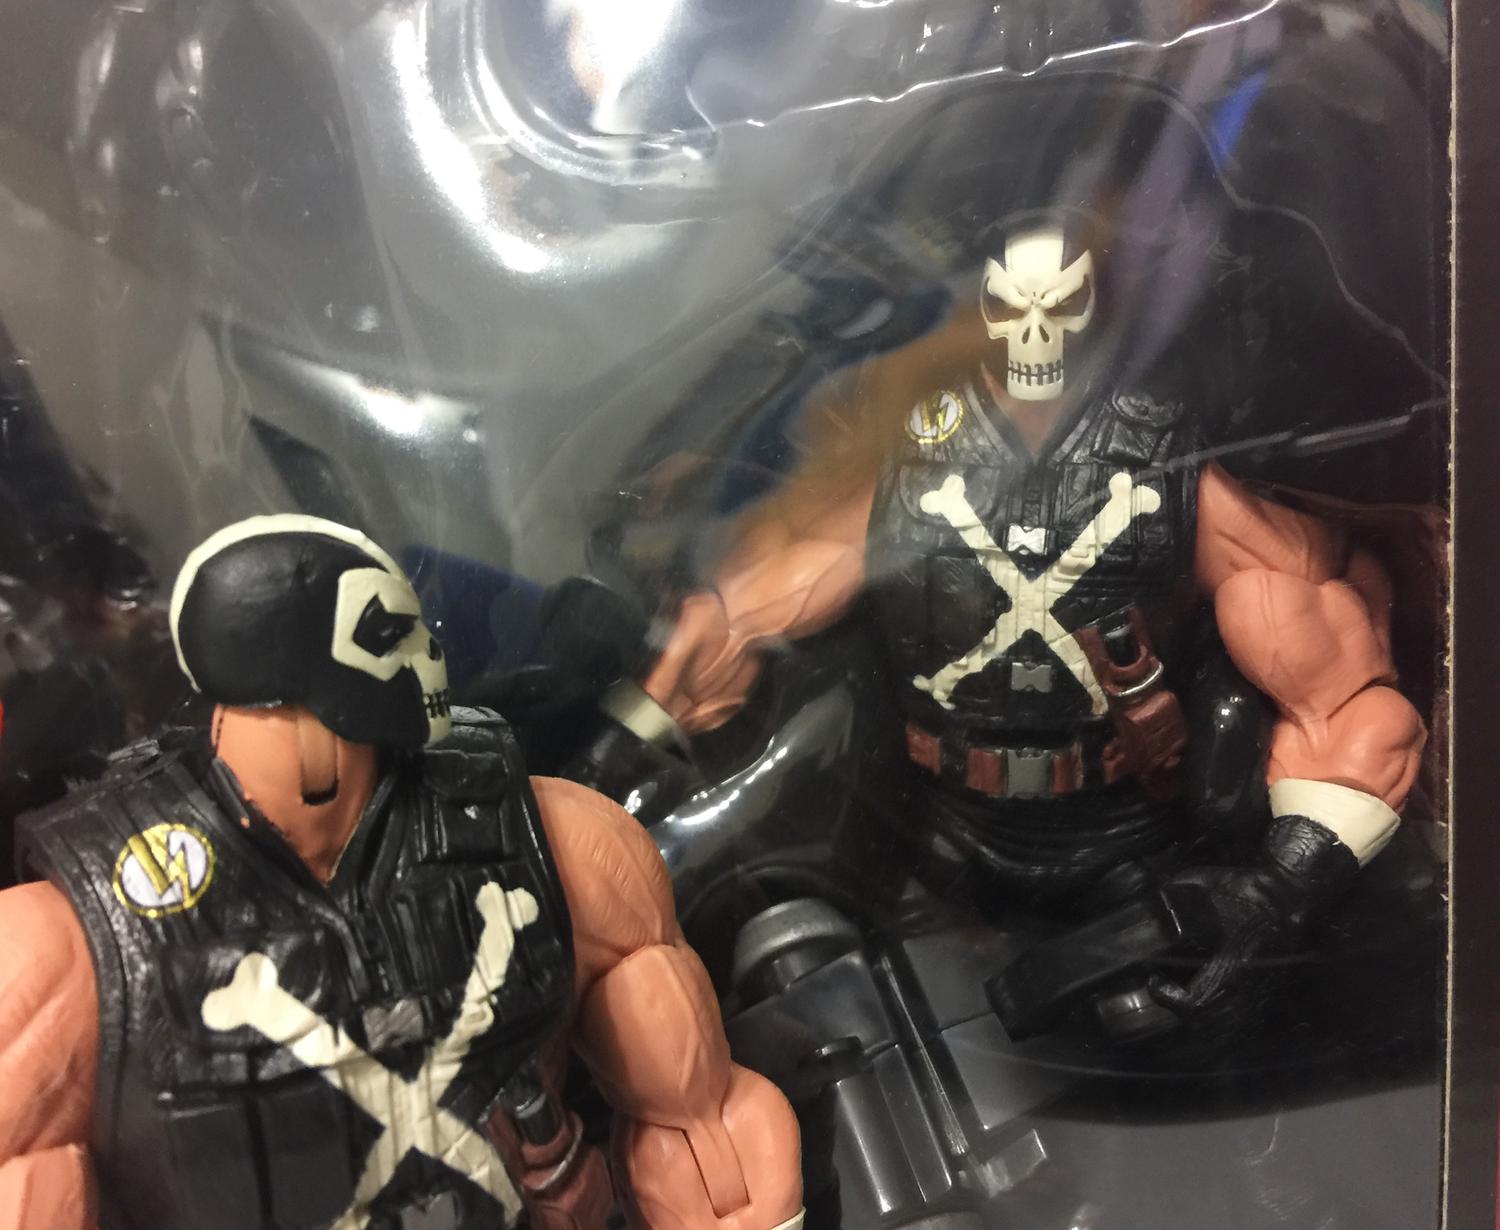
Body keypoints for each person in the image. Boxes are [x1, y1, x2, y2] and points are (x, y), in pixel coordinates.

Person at [0, 515, 802, 1230]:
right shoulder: (58, 950)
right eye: (390, 636)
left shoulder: (561, 843)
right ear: (305, 676)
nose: (430, 655)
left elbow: (706, 1136)